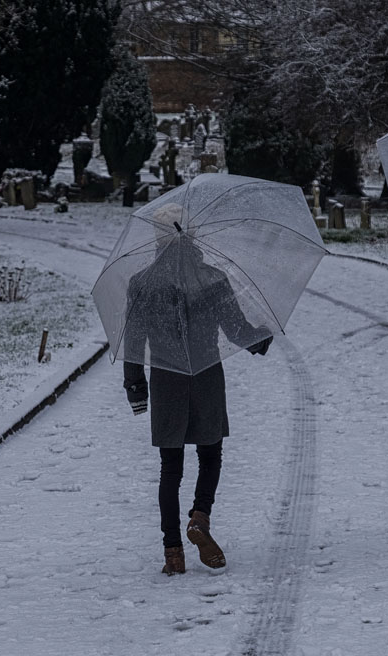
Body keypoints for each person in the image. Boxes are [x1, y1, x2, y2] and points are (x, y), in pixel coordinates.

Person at [122, 203, 273, 575]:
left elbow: (134, 342)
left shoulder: (141, 282)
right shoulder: (212, 277)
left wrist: (135, 387)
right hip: (206, 376)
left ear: (157, 239)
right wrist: (262, 337)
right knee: (211, 455)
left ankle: (173, 553)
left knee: (170, 468)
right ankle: (200, 518)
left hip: (166, 380)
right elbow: (236, 330)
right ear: (190, 234)